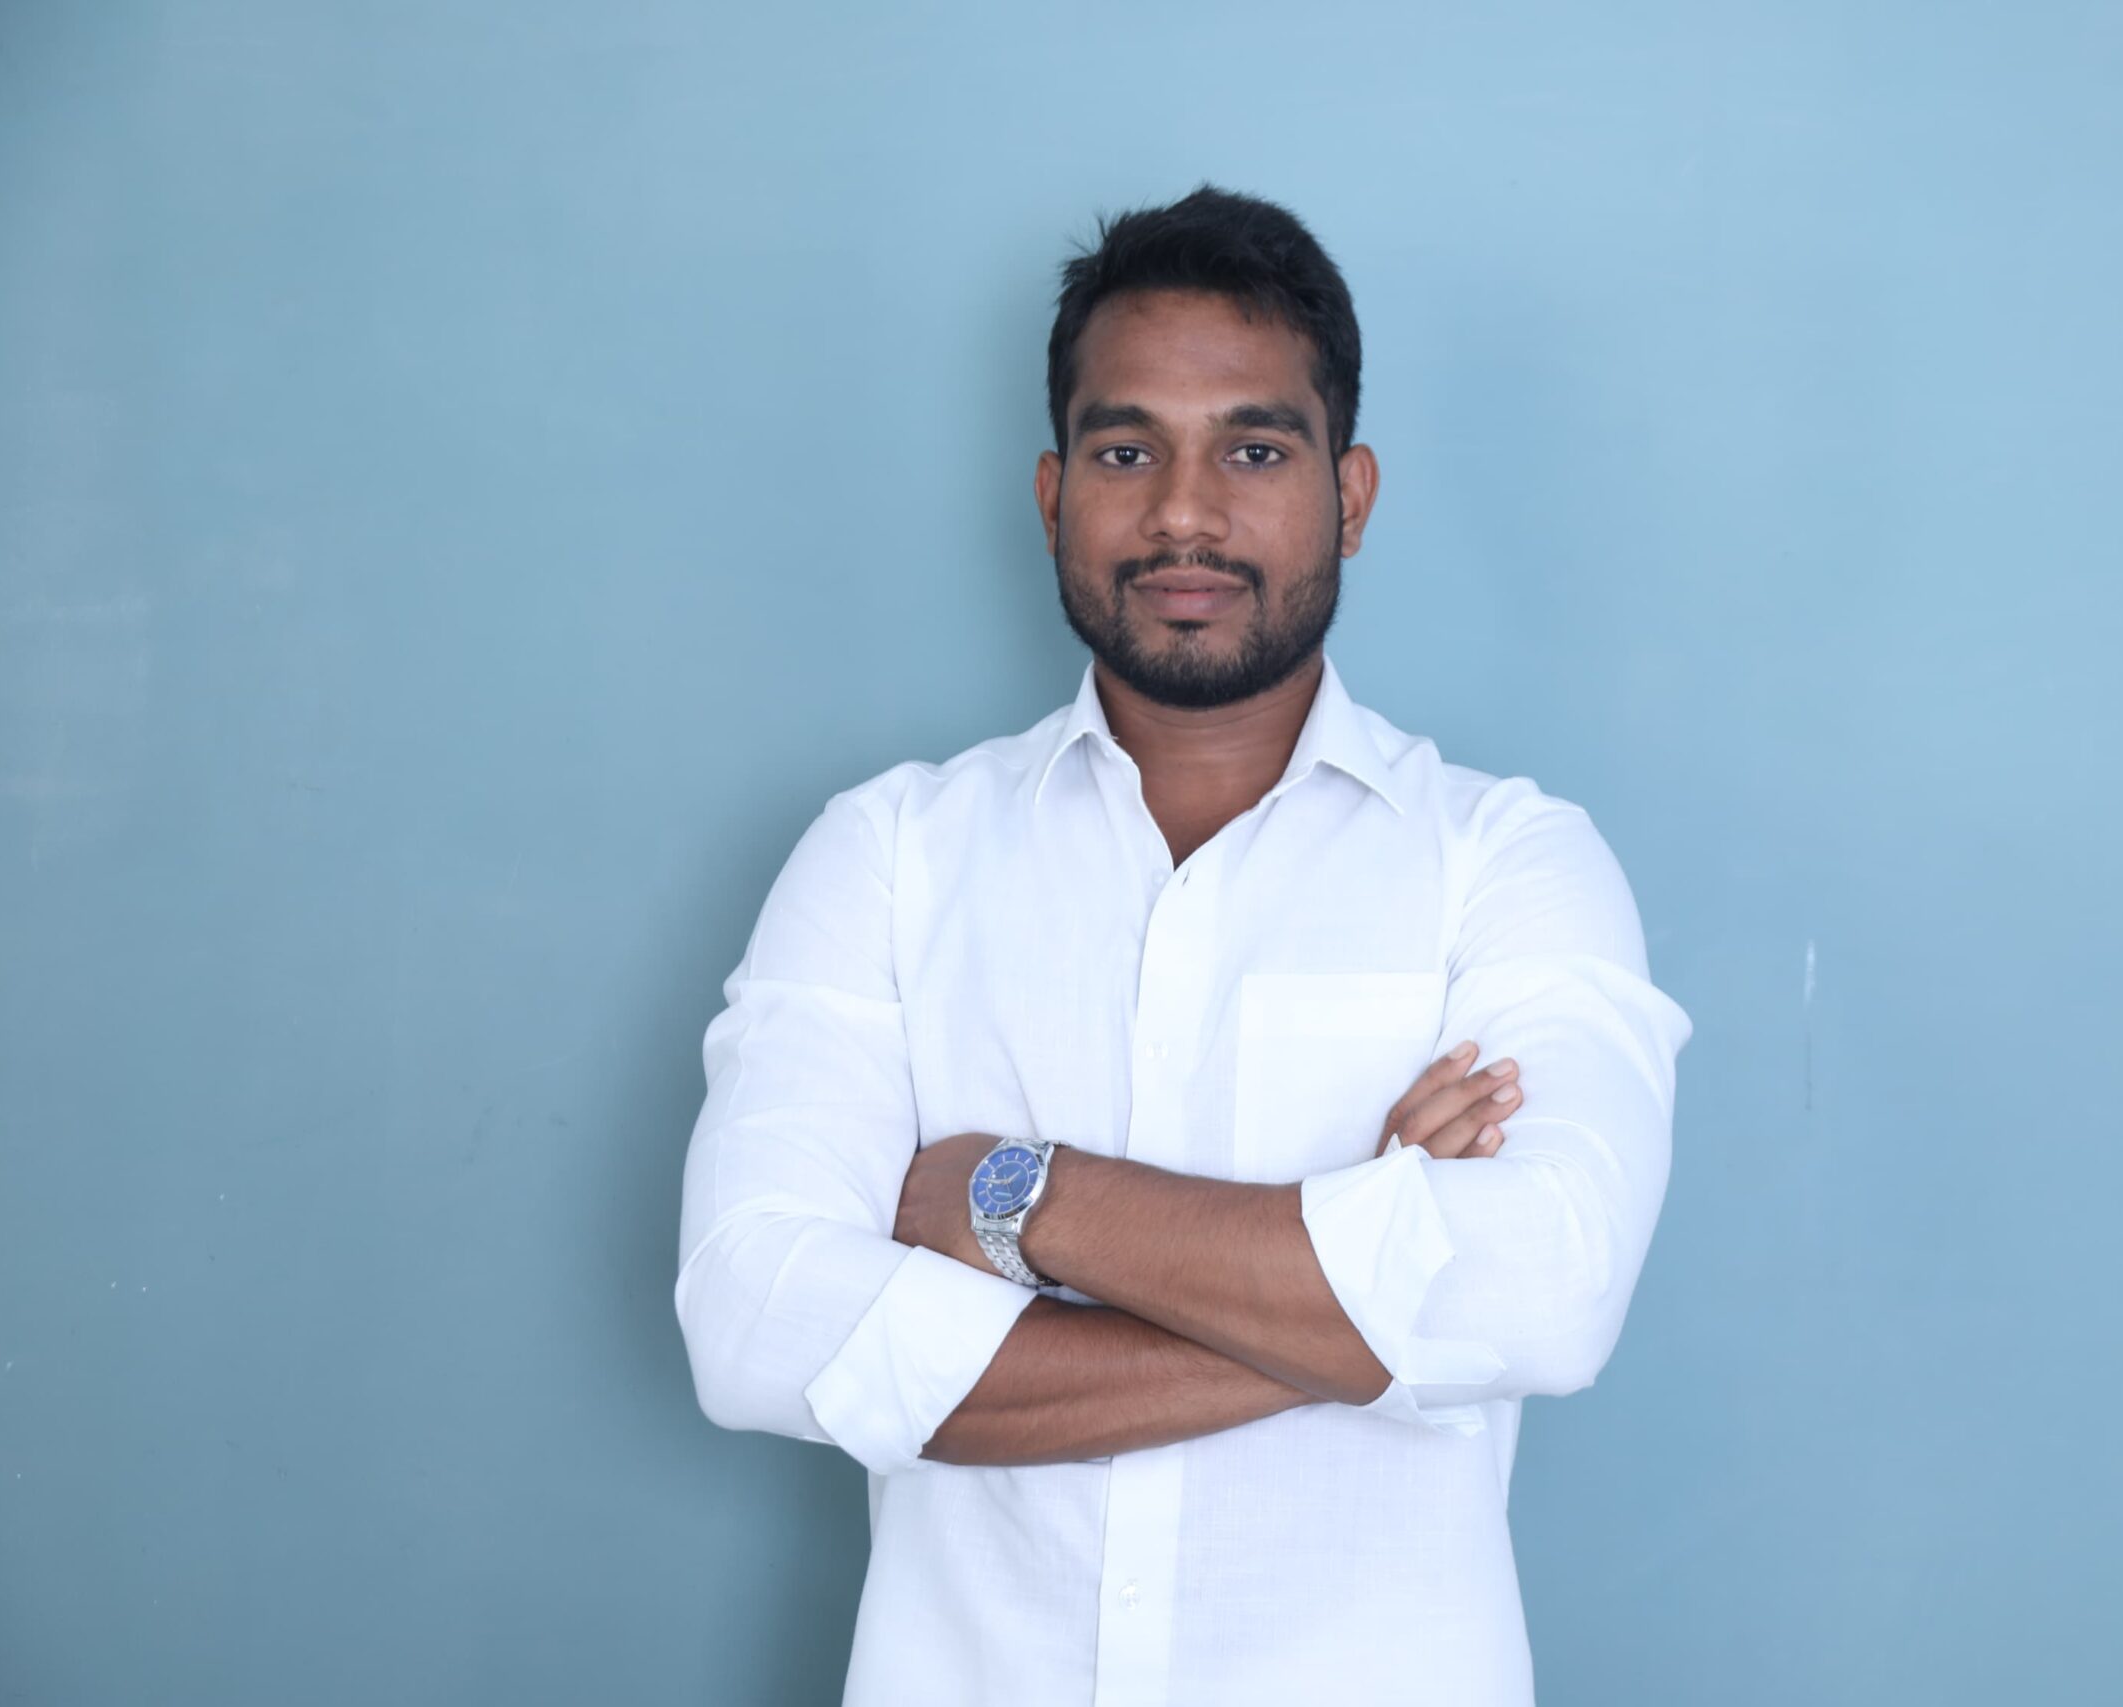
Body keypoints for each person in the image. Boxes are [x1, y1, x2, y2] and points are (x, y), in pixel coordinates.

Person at [672, 183, 1693, 1707]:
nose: (1184, 515)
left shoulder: (1506, 863)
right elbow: (757, 1323)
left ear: (1351, 496)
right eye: (1126, 450)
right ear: (1052, 494)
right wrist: (1364, 1285)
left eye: (1255, 450)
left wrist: (1015, 1197)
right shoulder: (885, 856)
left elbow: (1542, 1293)